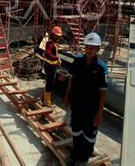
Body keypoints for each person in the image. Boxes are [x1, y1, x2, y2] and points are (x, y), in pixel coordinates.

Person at [63, 32, 108, 165]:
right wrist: (67, 98)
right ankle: (75, 153)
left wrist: (99, 113)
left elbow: (103, 93)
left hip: (91, 109)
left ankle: (84, 157)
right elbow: (71, 81)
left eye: (93, 48)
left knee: (89, 134)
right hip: (77, 104)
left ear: (98, 49)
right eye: (87, 47)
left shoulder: (101, 68)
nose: (89, 50)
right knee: (76, 130)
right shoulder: (77, 61)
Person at [42, 26, 62, 107]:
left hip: (51, 65)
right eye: (57, 36)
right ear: (53, 35)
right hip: (50, 67)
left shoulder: (53, 43)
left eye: (59, 36)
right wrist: (57, 58)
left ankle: (44, 98)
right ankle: (46, 101)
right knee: (50, 83)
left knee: (49, 82)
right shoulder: (50, 43)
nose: (58, 37)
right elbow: (48, 54)